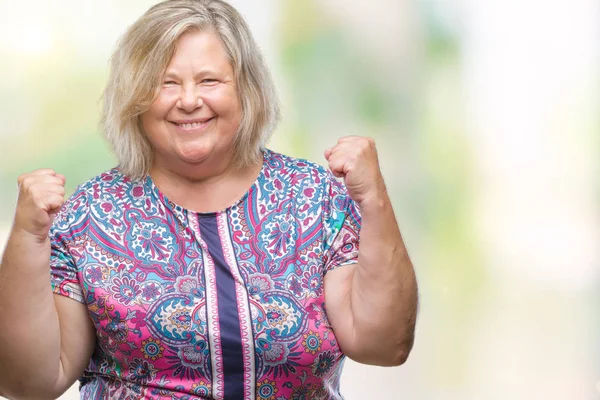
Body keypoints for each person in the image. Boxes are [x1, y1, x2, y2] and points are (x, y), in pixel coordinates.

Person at [0, 0, 418, 398]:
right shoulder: (89, 216)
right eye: (166, 83)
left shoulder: (316, 199)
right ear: (136, 100)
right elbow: (30, 383)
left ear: (248, 90)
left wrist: (374, 199)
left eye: (209, 80)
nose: (188, 100)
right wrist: (27, 235)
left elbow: (382, 345)